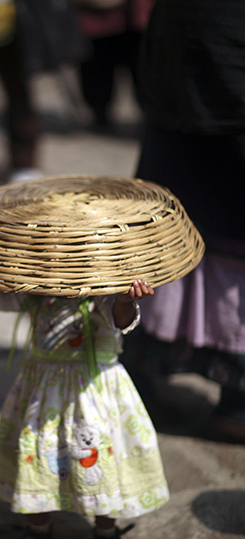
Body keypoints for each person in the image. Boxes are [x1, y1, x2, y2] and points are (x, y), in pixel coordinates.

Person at [0, 249, 169, 539]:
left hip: (93, 395)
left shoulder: (99, 293)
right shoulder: (35, 292)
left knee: (100, 460)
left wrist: (127, 299)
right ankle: (38, 531)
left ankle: (105, 532)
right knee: (37, 456)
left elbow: (120, 318)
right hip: (42, 394)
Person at [126, 0, 245, 442]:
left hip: (181, 67)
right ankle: (237, 400)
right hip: (216, 79)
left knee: (174, 233)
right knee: (182, 240)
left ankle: (141, 380)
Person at [72, 0, 154, 131]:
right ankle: (99, 114)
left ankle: (150, 116)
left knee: (144, 66)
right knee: (97, 66)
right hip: (99, 13)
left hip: (139, 15)